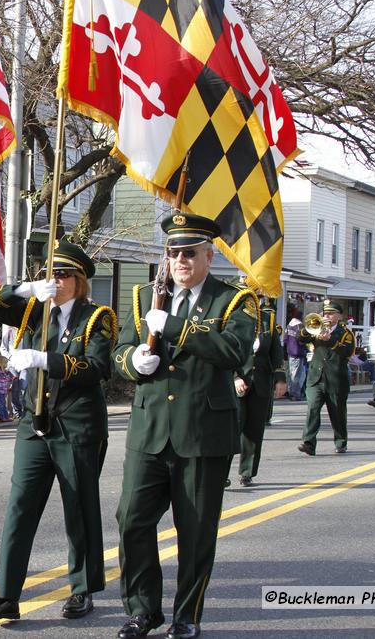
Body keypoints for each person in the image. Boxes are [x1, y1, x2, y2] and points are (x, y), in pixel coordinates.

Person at [112, 213, 255, 639]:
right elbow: (120, 349)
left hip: (202, 433)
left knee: (195, 531)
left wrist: (174, 327)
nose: (180, 260)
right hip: (150, 430)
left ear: (209, 255)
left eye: (189, 252)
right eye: (173, 252)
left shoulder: (233, 300)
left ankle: (187, 616)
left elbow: (234, 350)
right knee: (131, 520)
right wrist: (133, 363)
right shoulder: (143, 297)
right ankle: (142, 609)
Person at [0, 240, 116, 622]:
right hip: (34, 424)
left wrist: (44, 359)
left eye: (65, 274)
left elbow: (96, 368)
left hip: (76, 425)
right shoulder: (34, 313)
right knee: (19, 508)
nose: (57, 280)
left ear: (80, 280)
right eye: (51, 273)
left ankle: (82, 589)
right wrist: (24, 289)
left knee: (78, 508)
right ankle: (7, 594)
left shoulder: (96, 317)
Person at [232, 297, 287, 487]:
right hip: (237, 381)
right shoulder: (232, 317)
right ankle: (220, 473)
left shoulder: (267, 319)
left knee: (254, 430)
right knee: (231, 429)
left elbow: (276, 352)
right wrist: (234, 377)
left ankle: (247, 472)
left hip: (261, 382)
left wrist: (280, 379)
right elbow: (223, 351)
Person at [297, 300, 356, 455]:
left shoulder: (346, 333)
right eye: (325, 313)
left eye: (331, 313)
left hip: (336, 378)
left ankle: (341, 441)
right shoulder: (317, 329)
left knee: (337, 413)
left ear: (339, 316)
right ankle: (309, 442)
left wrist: (329, 340)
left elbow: (347, 352)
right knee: (313, 409)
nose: (327, 316)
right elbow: (301, 338)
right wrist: (310, 329)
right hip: (316, 377)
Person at [283, 311, 306, 401]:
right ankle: (295, 394)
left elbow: (285, 339)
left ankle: (290, 392)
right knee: (297, 375)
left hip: (290, 352)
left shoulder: (289, 325)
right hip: (298, 352)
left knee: (290, 374)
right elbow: (302, 340)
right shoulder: (300, 326)